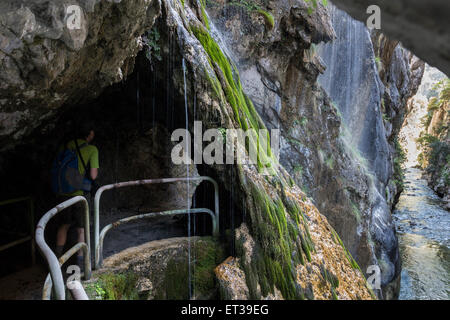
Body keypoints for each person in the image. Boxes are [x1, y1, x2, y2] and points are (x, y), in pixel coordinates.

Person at [54, 123, 99, 270]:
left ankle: (57, 261)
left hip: (61, 192)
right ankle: (80, 262)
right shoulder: (91, 149)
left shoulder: (65, 146)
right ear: (89, 134)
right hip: (78, 195)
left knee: (63, 226)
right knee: (81, 229)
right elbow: (93, 175)